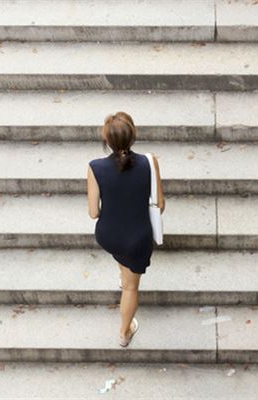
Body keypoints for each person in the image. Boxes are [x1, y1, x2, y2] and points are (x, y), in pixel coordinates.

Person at [87, 111, 165, 347]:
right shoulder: (149, 163)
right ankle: (124, 332)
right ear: (133, 135)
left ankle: (124, 273)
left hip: (108, 235)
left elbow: (93, 212)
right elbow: (160, 205)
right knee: (131, 288)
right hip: (136, 238)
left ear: (107, 140)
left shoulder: (95, 167)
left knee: (123, 260)